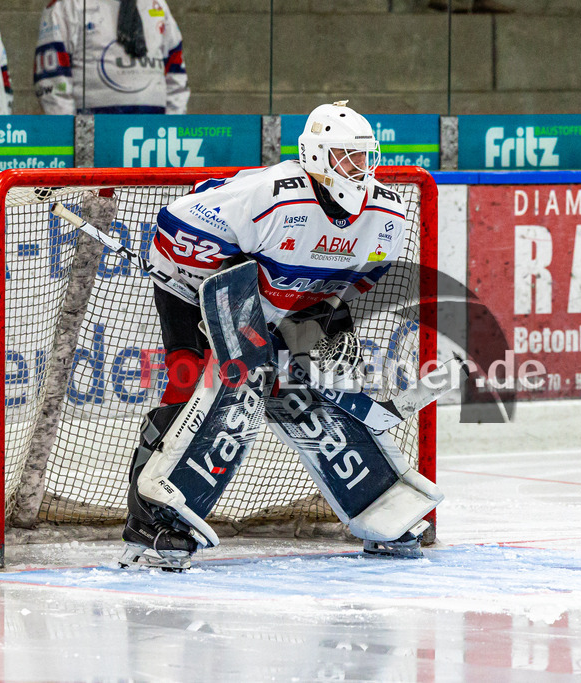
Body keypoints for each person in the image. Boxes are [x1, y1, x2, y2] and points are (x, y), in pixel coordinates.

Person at [119, 101, 442, 571]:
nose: (359, 168)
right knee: (195, 383)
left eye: (364, 156)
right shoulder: (272, 195)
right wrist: (229, 295)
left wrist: (319, 319)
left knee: (308, 394)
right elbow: (175, 226)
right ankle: (150, 523)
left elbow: (358, 281)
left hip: (282, 306)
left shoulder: (386, 214)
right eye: (346, 156)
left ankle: (379, 505)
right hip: (196, 291)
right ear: (315, 156)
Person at [34, 0, 188, 114]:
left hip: (152, 133)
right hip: (92, 131)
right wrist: (71, 135)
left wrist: (171, 129)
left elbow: (176, 75)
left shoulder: (158, 5)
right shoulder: (68, 4)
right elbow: (52, 82)